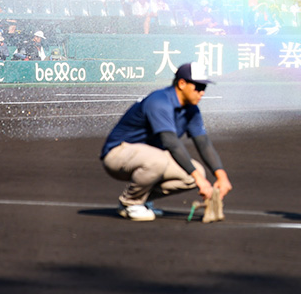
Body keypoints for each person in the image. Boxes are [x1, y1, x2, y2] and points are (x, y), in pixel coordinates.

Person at [100, 62, 233, 221]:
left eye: (204, 88)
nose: (202, 92)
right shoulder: (159, 101)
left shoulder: (191, 110)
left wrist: (221, 176)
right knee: (166, 162)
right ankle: (130, 203)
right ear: (182, 84)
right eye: (197, 87)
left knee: (193, 173)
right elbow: (170, 142)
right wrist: (201, 181)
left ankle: (143, 199)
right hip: (117, 154)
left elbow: (203, 143)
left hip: (148, 157)